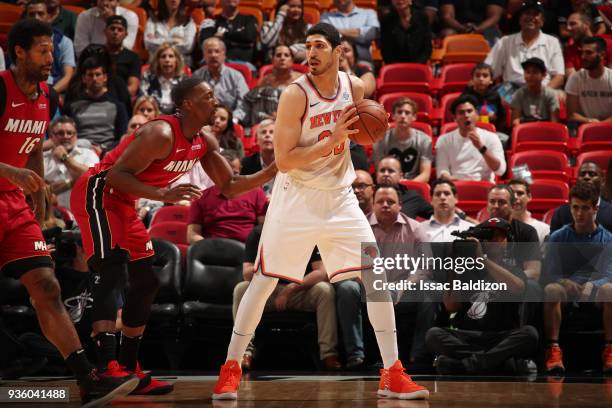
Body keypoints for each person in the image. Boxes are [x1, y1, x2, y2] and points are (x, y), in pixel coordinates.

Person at [212, 23, 429, 401]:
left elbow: (361, 126)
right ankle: (230, 366)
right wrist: (332, 139)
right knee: (263, 282)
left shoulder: (354, 88)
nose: (309, 54)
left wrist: (359, 134)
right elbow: (284, 158)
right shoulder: (295, 96)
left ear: (338, 50)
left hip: (340, 199)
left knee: (376, 278)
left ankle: (392, 372)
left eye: (318, 46)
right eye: (307, 47)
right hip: (296, 198)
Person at [70, 77, 277, 396]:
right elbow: (115, 174)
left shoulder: (203, 140)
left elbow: (230, 186)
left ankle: (129, 370)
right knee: (112, 269)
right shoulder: (161, 132)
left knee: (147, 281)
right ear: (187, 105)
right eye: (207, 96)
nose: (215, 100)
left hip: (125, 200)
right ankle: (105, 367)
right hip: (98, 193)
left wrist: (275, 168)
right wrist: (163, 194)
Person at [0, 18, 140, 406]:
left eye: (52, 49)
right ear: (20, 53)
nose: (51, 58)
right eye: (42, 50)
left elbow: (31, 148)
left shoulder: (48, 97)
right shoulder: (1, 87)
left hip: (14, 205)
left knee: (47, 286)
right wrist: (9, 170)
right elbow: (16, 161)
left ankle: (86, 378)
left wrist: (40, 196)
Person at [425, 217, 539, 375]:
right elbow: (452, 307)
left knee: (529, 334)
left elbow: (517, 288)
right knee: (433, 335)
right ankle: (496, 362)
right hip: (469, 335)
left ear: (508, 242)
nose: (493, 240)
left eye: (499, 236)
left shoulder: (514, 270)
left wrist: (482, 260)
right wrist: (454, 266)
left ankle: (466, 365)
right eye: (489, 236)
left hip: (501, 336)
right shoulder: (464, 269)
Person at [234, 225, 342, 370]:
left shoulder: (308, 231)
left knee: (325, 290)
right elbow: (247, 273)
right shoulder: (259, 233)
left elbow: (321, 272)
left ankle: (328, 354)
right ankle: (244, 353)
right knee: (241, 289)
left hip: (298, 290)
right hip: (267, 291)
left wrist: (290, 289)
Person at [542, 182, 612, 375]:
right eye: (575, 207)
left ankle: (610, 348)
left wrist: (593, 284)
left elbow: (609, 272)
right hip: (567, 289)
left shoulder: (608, 239)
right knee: (551, 289)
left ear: (595, 208)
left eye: (585, 208)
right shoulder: (558, 237)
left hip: (597, 291)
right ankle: (553, 349)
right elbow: (550, 272)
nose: (579, 213)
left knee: (609, 289)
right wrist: (564, 281)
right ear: (569, 207)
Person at [484, 0, 565, 96]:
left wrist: (542, 94)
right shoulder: (505, 41)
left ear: (542, 21)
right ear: (520, 20)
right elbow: (489, 70)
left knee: (561, 96)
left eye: (535, 14)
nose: (530, 17)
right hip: (512, 90)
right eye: (527, 14)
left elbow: (559, 77)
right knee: (499, 93)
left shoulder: (552, 42)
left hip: (542, 90)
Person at [187, 150, 267, 244]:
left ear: (240, 169)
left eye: (235, 174)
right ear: (214, 171)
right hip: (211, 252)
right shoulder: (200, 197)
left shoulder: (256, 192)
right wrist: (209, 247)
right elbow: (192, 234)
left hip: (246, 252)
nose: (231, 180)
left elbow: (264, 228)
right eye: (225, 175)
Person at [63, 57, 129, 153]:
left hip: (108, 152)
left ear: (105, 77)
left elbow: (123, 137)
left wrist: (104, 149)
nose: (94, 78)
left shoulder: (118, 107)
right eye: (90, 75)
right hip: (79, 151)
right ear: (84, 78)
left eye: (98, 74)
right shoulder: (72, 107)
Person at [435, 94, 506, 182]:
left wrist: (481, 148)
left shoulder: (491, 137)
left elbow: (500, 170)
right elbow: (442, 170)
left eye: (469, 111)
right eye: (461, 112)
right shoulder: (444, 140)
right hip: (456, 186)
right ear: (454, 118)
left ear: (476, 114)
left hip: (483, 186)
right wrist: (451, 179)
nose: (466, 115)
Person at [43, 116, 99, 210]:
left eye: (70, 133)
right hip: (52, 217)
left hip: (83, 214)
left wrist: (65, 159)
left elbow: (93, 178)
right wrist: (72, 182)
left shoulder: (88, 154)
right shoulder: (44, 158)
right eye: (60, 133)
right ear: (51, 136)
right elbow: (42, 189)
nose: (66, 136)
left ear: (76, 136)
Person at [373, 97, 432, 182]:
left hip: (414, 185)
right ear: (393, 116)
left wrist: (406, 185)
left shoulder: (424, 140)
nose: (403, 116)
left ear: (414, 117)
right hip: (388, 183)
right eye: (399, 112)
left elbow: (425, 175)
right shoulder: (381, 139)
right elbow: (380, 171)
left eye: (407, 113)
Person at [240, 45, 301, 127]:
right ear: (272, 60)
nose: (282, 58)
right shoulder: (265, 81)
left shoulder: (302, 80)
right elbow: (254, 103)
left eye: (286, 55)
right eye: (278, 55)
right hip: (268, 123)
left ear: (292, 60)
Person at [192, 37, 249, 123]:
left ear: (224, 54)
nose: (213, 55)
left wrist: (232, 120)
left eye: (217, 51)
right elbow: (192, 101)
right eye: (209, 51)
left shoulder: (236, 76)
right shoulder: (196, 76)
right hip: (203, 123)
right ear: (204, 55)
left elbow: (244, 103)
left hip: (230, 122)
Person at [25, 0, 76, 94]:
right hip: (25, 90)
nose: (36, 18)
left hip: (54, 91)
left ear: (49, 17)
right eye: (32, 14)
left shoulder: (64, 42)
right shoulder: (19, 42)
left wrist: (49, 95)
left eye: (40, 14)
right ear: (26, 17)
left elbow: (68, 77)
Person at [551, 161, 612, 233]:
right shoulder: (560, 213)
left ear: (602, 180)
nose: (586, 177)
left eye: (592, 174)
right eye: (582, 174)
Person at [565, 36, 612, 125]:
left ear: (602, 55)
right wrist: (590, 122)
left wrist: (601, 125)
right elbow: (572, 114)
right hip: (585, 126)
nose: (583, 57)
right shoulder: (575, 78)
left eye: (588, 53)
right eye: (582, 52)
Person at [198, 0, 259, 68]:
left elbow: (249, 37)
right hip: (214, 63)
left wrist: (223, 35)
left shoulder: (249, 19)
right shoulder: (210, 21)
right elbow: (206, 43)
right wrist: (239, 41)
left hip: (242, 64)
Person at [321, 0, 380, 65]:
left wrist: (338, 31)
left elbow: (371, 34)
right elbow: (326, 36)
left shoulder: (369, 13)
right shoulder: (326, 17)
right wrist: (358, 33)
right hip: (335, 61)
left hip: (362, 60)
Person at [460, 62, 508, 141]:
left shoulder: (495, 96)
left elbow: (502, 117)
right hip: (470, 132)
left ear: (491, 80)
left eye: (485, 76)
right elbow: (459, 118)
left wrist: (495, 118)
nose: (481, 79)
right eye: (478, 76)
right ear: (472, 79)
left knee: (505, 139)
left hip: (492, 132)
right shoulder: (465, 96)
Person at [376, 156, 433, 220]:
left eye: (390, 171)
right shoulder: (368, 196)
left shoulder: (412, 197)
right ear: (376, 175)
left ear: (400, 176)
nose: (386, 174)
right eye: (382, 171)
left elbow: (436, 216)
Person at [74, 0, 139, 56]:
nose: (105, 3)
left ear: (117, 2)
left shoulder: (130, 17)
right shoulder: (84, 16)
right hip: (92, 63)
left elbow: (126, 47)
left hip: (119, 62)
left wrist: (111, 21)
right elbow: (80, 49)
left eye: (110, 0)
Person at [144, 0, 197, 67]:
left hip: (181, 65)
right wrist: (174, 40)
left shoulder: (188, 22)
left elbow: (188, 47)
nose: (174, 0)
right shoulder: (152, 20)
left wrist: (158, 41)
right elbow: (148, 44)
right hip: (156, 64)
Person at [510, 57, 560, 127]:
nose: (530, 76)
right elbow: (515, 121)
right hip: (525, 129)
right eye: (527, 72)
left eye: (535, 72)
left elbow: (554, 122)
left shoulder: (550, 94)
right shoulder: (519, 94)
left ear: (543, 75)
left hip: (545, 129)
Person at [140, 43, 188, 114]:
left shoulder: (184, 80)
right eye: (163, 56)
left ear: (176, 60)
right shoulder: (148, 78)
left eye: (171, 56)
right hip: (153, 119)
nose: (167, 60)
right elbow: (143, 101)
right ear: (158, 61)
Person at [380, 0, 432, 64]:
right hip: (395, 67)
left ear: (410, 1)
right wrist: (397, 67)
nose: (399, 1)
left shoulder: (422, 18)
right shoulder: (387, 20)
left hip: (419, 66)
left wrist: (417, 65)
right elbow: (385, 50)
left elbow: (427, 48)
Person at [105, 15, 141, 98]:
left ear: (126, 34)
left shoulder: (133, 58)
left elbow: (133, 88)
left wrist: (113, 97)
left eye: (120, 30)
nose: (115, 32)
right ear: (105, 31)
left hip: (121, 100)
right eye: (112, 28)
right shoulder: (96, 53)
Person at [440, 0, 504, 45]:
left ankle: (492, 61)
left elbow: (494, 16)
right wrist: (461, 28)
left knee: (492, 35)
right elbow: (447, 16)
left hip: (485, 26)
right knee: (447, 33)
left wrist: (478, 28)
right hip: (457, 26)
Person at [508, 179, 550, 244]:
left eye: (520, 193)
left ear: (529, 197)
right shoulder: (498, 228)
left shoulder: (544, 229)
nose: (515, 197)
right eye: (511, 193)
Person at [241, 119, 276, 196]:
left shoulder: (286, 163)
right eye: (263, 132)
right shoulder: (246, 163)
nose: (267, 135)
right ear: (257, 140)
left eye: (271, 132)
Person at [564, 11, 594, 77]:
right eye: (567, 25)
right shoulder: (569, 51)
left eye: (573, 24)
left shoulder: (608, 44)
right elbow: (572, 79)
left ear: (586, 24)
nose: (568, 28)